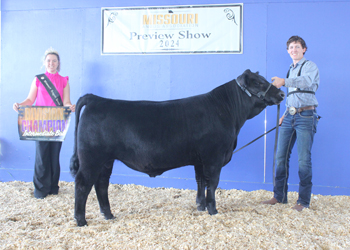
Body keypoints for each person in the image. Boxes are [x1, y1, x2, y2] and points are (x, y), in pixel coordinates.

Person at [261, 36, 320, 211]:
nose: (293, 50)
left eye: (297, 47)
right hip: (290, 116)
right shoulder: (290, 68)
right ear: (288, 51)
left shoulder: (310, 66)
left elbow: (308, 83)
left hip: (306, 116)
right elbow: (293, 95)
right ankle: (279, 196)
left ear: (304, 49)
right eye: (291, 47)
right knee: (280, 157)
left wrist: (284, 81)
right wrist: (286, 113)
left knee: (303, 160)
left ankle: (303, 201)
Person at [13, 48, 75, 199]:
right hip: (40, 122)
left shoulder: (64, 81)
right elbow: (30, 99)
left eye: (54, 60)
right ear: (44, 62)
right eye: (49, 60)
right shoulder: (38, 79)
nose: (51, 63)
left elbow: (66, 101)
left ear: (58, 63)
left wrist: (70, 107)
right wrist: (20, 104)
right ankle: (40, 189)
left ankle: (53, 187)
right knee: (41, 156)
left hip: (57, 122)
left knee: (54, 155)